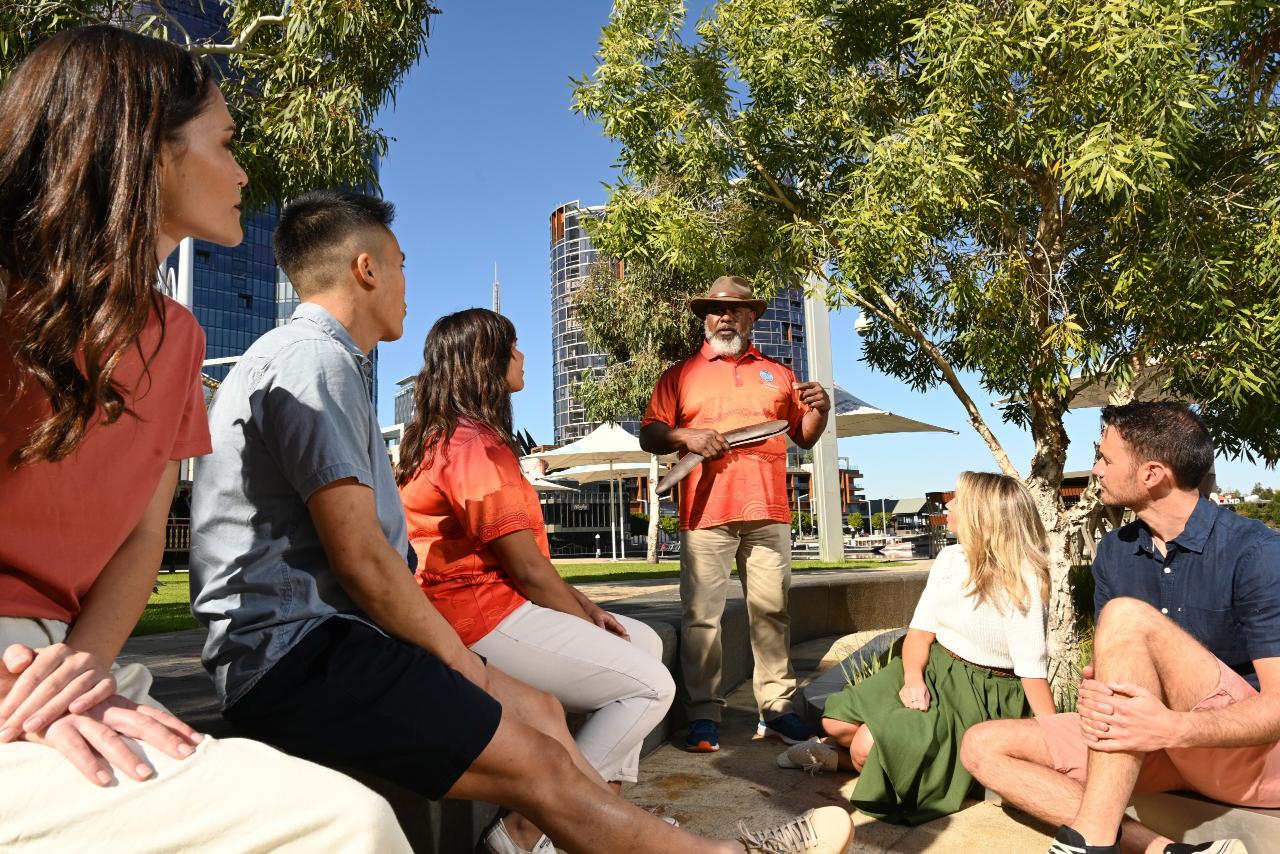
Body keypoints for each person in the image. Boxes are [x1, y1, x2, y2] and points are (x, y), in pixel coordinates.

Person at [189, 189, 855, 854]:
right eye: (400, 265)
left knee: (542, 715)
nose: (406, 286)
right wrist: (463, 667)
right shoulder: (319, 362)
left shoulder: (322, 363)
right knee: (571, 735)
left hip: (336, 641)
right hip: (301, 655)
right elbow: (364, 558)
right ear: (366, 268)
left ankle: (584, 831)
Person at [0, 25, 408, 850]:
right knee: (342, 825)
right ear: (146, 148)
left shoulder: (175, 337)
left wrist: (82, 667)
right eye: (224, 142)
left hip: (73, 665)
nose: (244, 170)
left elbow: (144, 534)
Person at [395, 307, 677, 847]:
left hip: (489, 604)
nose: (522, 356)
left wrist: (587, 610)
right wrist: (585, 616)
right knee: (651, 687)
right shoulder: (472, 445)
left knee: (642, 640)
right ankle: (534, 827)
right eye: (514, 347)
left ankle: (606, 808)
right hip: (475, 618)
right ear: (486, 361)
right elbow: (525, 568)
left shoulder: (450, 436)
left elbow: (527, 564)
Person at [962, 403, 1278, 854]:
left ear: (1152, 474)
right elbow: (1117, 672)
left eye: (1106, 459)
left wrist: (1170, 729)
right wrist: (1098, 688)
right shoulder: (1115, 552)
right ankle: (1160, 849)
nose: (1094, 469)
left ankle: (1089, 843)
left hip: (1247, 757)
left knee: (1127, 616)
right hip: (1151, 745)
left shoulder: (1257, 553)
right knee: (983, 745)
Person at [777, 472, 1057, 825]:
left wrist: (1057, 742)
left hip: (982, 690)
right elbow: (920, 633)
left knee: (865, 745)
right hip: (936, 666)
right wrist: (913, 678)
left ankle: (839, 761)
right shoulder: (950, 559)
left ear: (981, 515)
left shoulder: (1024, 576)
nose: (949, 504)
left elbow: (1032, 670)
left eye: (958, 499)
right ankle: (904, 760)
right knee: (834, 722)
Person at [639, 275, 831, 752]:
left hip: (769, 512)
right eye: (715, 310)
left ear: (752, 318)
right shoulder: (679, 375)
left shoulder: (780, 374)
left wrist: (821, 411)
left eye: (735, 310)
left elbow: (802, 435)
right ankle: (704, 715)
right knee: (702, 617)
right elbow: (650, 433)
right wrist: (688, 437)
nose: (724, 317)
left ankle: (779, 710)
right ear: (705, 318)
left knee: (772, 613)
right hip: (705, 513)